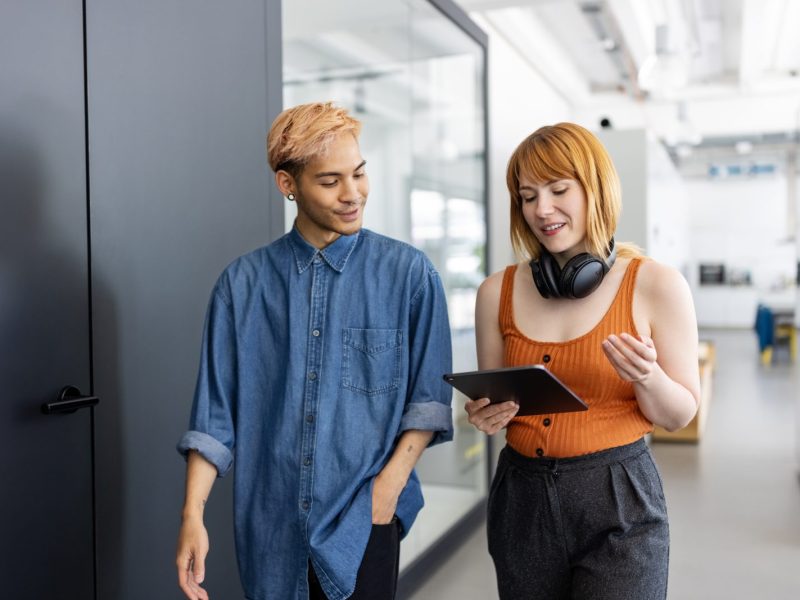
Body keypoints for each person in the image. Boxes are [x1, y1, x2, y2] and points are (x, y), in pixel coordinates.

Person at [175, 101, 454, 600]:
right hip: (269, 524)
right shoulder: (241, 286)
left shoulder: (410, 275)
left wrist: (387, 488)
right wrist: (193, 515)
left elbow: (428, 402)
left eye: (360, 174)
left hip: (363, 517)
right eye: (330, 181)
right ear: (288, 184)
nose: (353, 195)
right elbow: (214, 417)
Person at [465, 122, 700, 600]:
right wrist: (485, 414)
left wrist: (648, 376)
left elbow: (680, 415)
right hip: (521, 495)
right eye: (528, 196)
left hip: (618, 495)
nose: (541, 209)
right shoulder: (497, 292)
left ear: (595, 189)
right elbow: (494, 399)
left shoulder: (656, 285)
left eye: (558, 190)